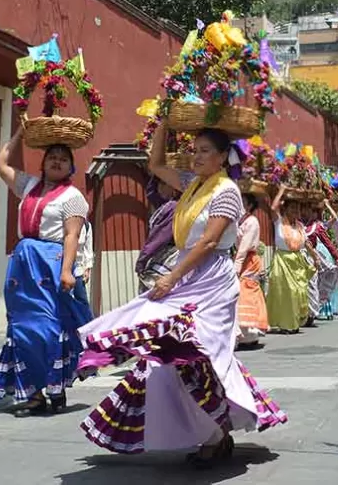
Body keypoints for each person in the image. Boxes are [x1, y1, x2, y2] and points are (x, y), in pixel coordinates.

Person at [77, 124, 287, 465]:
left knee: (202, 353)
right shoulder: (193, 185)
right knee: (167, 355)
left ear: (221, 157)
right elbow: (156, 164)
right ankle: (210, 433)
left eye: (205, 150)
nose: (197, 155)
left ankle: (216, 434)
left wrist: (171, 278)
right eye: (194, 149)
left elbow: (207, 242)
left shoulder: (227, 191)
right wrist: (164, 124)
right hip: (187, 273)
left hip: (212, 278)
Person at [0, 124, 94, 413]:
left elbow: (71, 235)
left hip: (51, 263)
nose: (57, 161)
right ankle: (34, 392)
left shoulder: (73, 197)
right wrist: (20, 135)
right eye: (52, 156)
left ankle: (55, 385)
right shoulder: (28, 185)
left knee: (49, 327)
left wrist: (66, 271)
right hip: (23, 264)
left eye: (63, 157)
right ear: (43, 162)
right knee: (22, 326)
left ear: (71, 166)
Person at [265, 190, 314, 333]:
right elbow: (273, 208)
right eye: (291, 208)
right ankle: (287, 325)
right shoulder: (279, 222)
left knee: (300, 292)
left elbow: (307, 244)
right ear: (285, 209)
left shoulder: (299, 226)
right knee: (287, 294)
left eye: (296, 209)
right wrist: (281, 190)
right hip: (283, 261)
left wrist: (315, 257)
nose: (295, 211)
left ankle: (295, 321)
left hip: (297, 262)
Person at [235, 193, 269, 348]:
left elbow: (244, 246)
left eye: (242, 202)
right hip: (241, 259)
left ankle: (250, 333)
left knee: (246, 292)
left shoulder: (252, 221)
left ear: (249, 206)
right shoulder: (238, 222)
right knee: (241, 293)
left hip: (248, 260)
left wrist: (237, 265)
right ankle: (244, 335)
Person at [136, 176, 180, 293]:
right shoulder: (165, 204)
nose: (159, 187)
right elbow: (151, 192)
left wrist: (142, 260)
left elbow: (159, 237)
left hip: (168, 258)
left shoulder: (173, 207)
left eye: (163, 183)